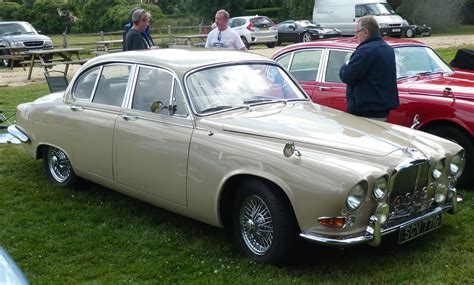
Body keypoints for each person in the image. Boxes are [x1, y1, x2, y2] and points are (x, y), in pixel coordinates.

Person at [339, 15, 399, 121]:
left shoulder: (366, 50)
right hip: (382, 109)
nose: (356, 36)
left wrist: (345, 65)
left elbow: (347, 76)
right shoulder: (387, 49)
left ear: (365, 32)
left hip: (366, 110)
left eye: (357, 32)